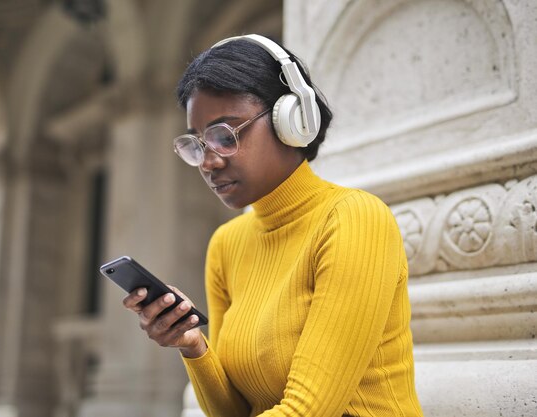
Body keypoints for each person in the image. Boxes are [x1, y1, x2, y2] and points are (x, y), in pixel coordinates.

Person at [123, 34, 424, 417]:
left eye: (224, 135)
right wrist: (193, 345)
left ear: (292, 121)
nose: (207, 162)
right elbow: (234, 412)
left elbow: (307, 409)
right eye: (198, 143)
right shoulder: (227, 243)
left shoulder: (354, 218)